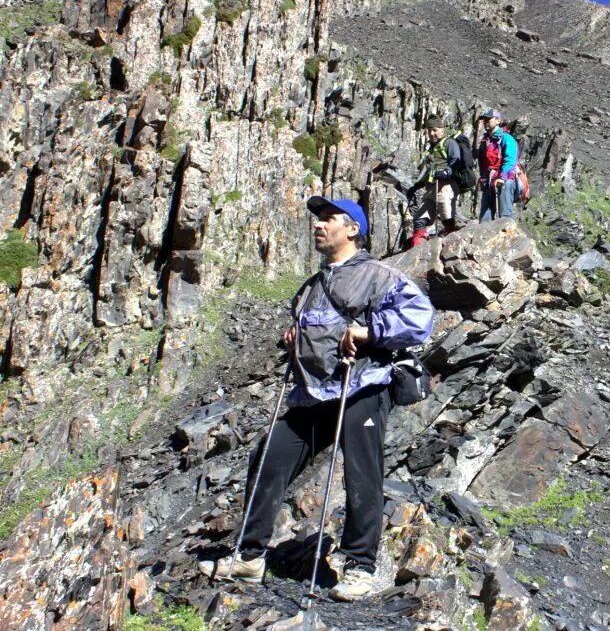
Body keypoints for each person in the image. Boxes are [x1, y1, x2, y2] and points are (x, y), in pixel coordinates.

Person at [200, 197, 434, 602]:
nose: (319, 225)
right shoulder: (311, 287)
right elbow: (311, 330)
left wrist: (367, 333)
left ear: (353, 229)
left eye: (329, 219)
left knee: (363, 471)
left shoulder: (379, 276)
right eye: (318, 220)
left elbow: (420, 320)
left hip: (362, 387)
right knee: (270, 456)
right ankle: (249, 555)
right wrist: (292, 338)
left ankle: (360, 566)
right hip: (314, 393)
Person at [408, 114, 462, 247]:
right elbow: (429, 172)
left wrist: (447, 171)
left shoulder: (449, 143)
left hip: (446, 186)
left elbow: (456, 160)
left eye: (435, 130)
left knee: (447, 216)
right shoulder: (432, 149)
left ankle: (451, 246)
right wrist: (416, 186)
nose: (432, 133)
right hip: (431, 187)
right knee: (420, 217)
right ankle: (417, 247)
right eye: (429, 130)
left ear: (442, 131)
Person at [476, 108, 519, 221]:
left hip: (504, 180)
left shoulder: (506, 138)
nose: (486, 122)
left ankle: (507, 232)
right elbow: (482, 163)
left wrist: (502, 177)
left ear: (498, 121)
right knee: (485, 219)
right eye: (484, 119)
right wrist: (483, 177)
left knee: (504, 216)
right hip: (489, 181)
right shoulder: (484, 141)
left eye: (489, 119)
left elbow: (510, 160)